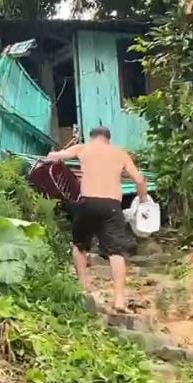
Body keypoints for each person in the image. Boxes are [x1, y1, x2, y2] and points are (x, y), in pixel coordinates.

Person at [45, 126, 150, 312]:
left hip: (87, 202)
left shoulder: (83, 148)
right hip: (112, 205)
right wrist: (143, 201)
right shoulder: (120, 153)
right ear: (108, 139)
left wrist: (55, 154)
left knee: (79, 245)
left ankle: (83, 287)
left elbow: (54, 157)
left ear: (92, 137)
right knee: (116, 252)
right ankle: (119, 301)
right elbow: (140, 181)